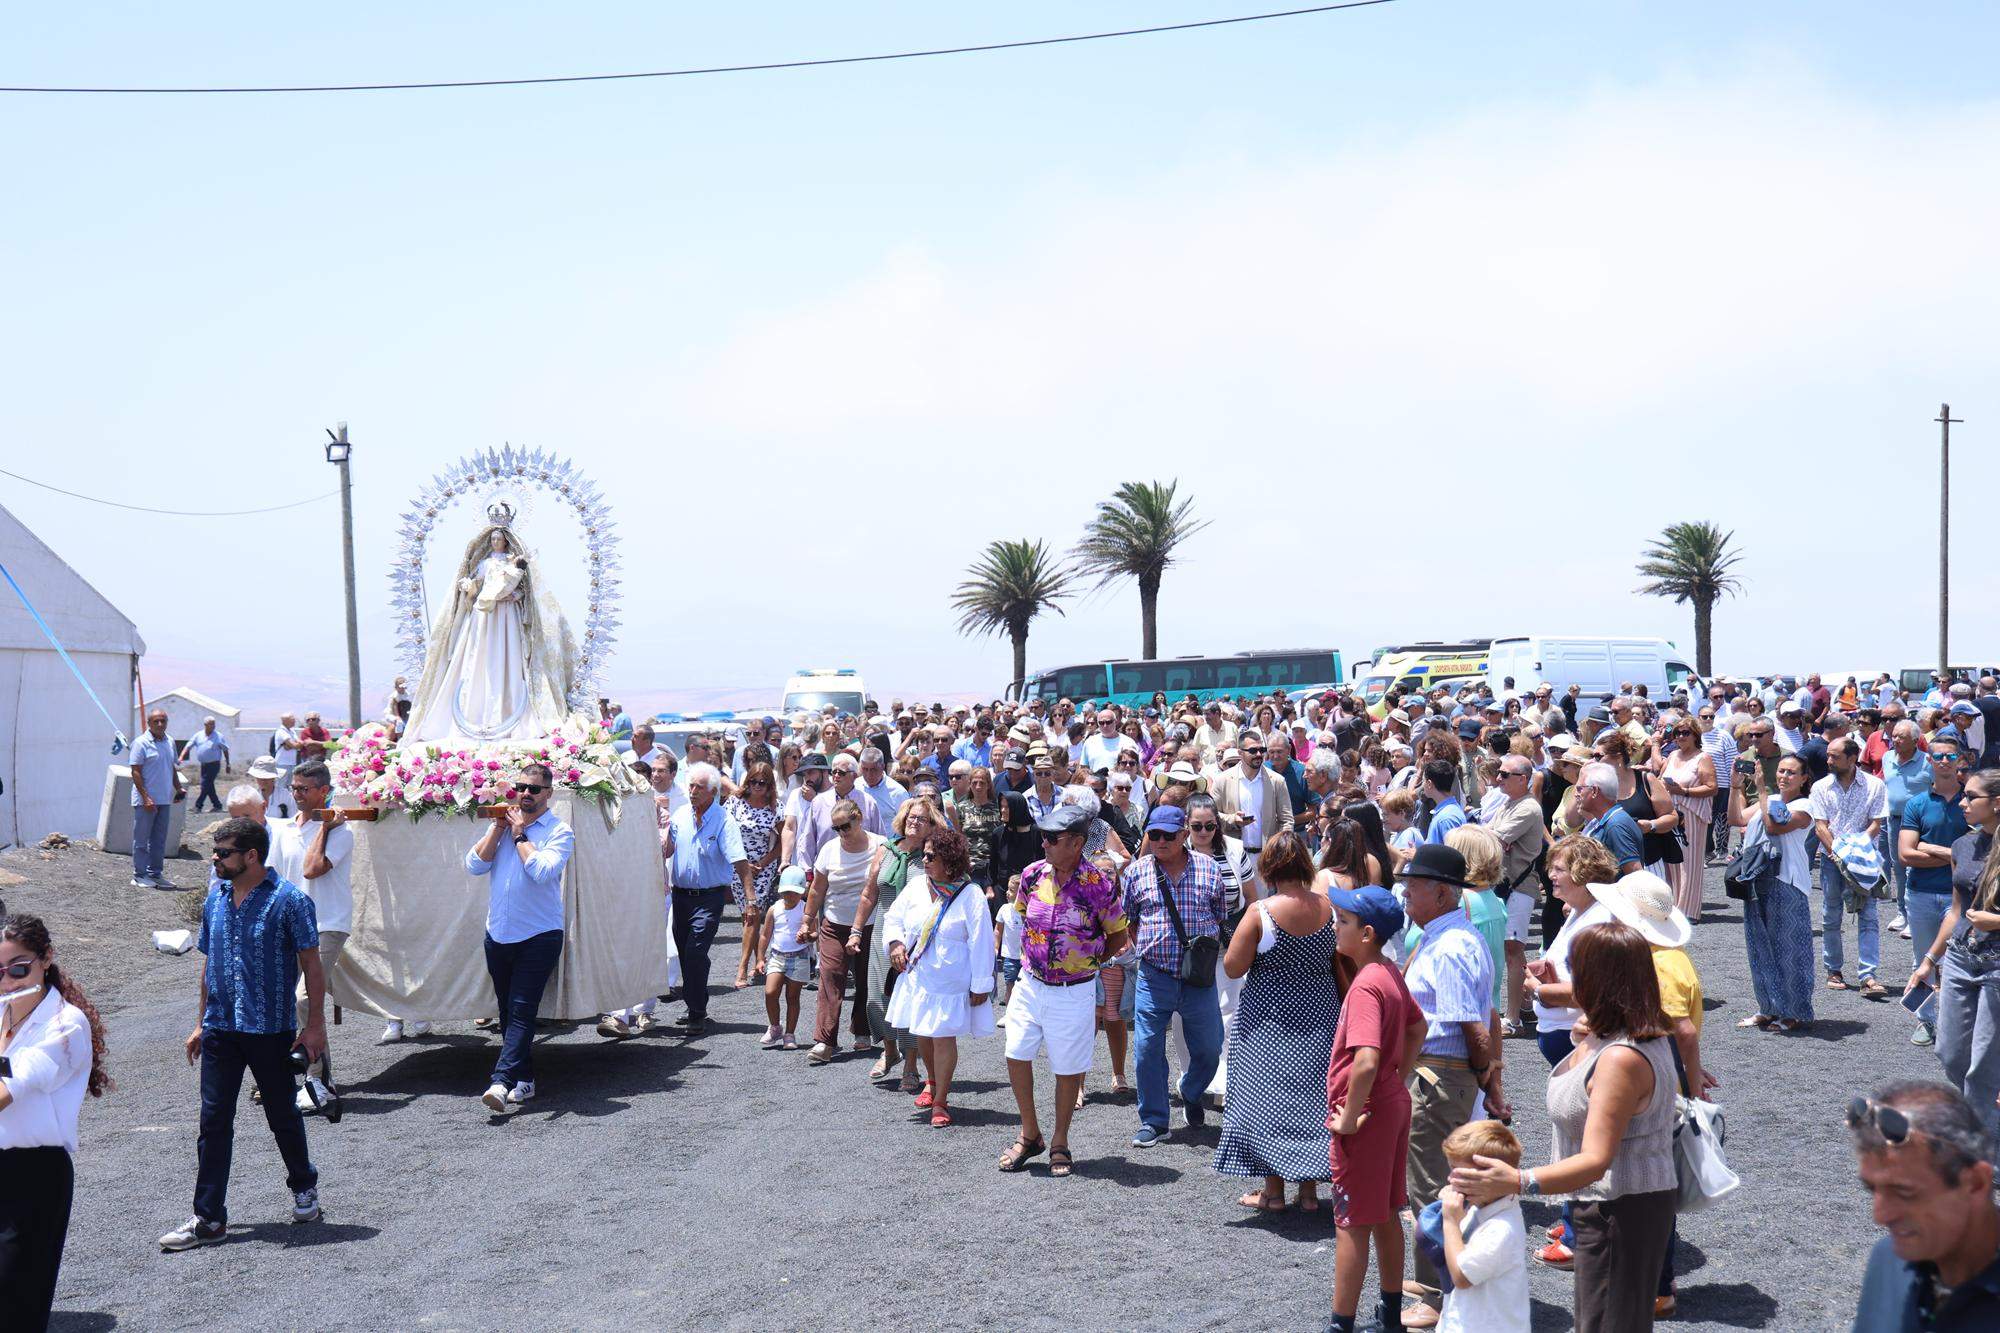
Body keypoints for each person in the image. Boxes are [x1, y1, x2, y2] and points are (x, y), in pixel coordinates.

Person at [1451, 921, 1679, 1333]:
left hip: (1620, 1208)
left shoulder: (1620, 1058)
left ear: (1598, 980)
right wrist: (1584, 1043)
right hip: (1617, 1203)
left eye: (1576, 971)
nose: (1570, 981)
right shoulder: (1623, 1035)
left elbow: (1596, 1160)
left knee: (1606, 1324)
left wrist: (1517, 1180)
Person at [161, 816, 326, 1251]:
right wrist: (200, 1022)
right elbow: (208, 963)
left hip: (270, 1030)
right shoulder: (214, 898)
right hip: (220, 1029)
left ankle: (304, 1188)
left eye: (224, 853)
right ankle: (209, 1217)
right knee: (213, 1121)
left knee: (281, 1114)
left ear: (251, 856)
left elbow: (312, 965)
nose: (215, 859)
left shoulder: (289, 901)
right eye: (216, 851)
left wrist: (314, 1028)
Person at [1397, 842, 1503, 1330]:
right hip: (1443, 1074)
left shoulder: (1451, 945)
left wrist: (1482, 1074)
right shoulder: (1449, 937)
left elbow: (1474, 1027)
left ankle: (1440, 1292)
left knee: (1432, 1187)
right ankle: (1438, 1281)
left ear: (1441, 894)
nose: (1406, 898)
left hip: (1439, 1075)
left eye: (1413, 889)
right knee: (1434, 1182)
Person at [1213, 833, 1344, 1212]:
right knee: (1313, 1102)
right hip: (1320, 1013)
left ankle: (1273, 1192)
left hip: (1268, 1018)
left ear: (1268, 867)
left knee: (1268, 1100)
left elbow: (1233, 966)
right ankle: (1309, 1194)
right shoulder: (1329, 908)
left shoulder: (1262, 912)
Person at [999, 805, 1129, 1178]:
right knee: (1015, 1052)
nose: (1044, 843)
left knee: (1067, 1068)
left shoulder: (1098, 884)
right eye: (1044, 836)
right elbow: (1023, 917)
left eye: (1052, 838)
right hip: (1030, 983)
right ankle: (1030, 1133)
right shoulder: (1031, 875)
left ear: (1076, 843)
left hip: (1074, 990)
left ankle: (1059, 1141)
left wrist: (1088, 960)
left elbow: (1118, 934)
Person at [0, 913, 111, 1326]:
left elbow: (13, 1088)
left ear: (45, 959)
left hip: (32, 1177)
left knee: (15, 1308)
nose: (9, 982)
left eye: (19, 968)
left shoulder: (65, 1026)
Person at [1325, 882, 1424, 1333]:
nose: (1335, 926)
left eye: (1343, 922)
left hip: (1365, 1113)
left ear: (1366, 933)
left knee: (1351, 1221)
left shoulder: (1366, 984)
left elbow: (1364, 1058)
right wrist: (1396, 1078)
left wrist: (1349, 1113)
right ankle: (1389, 1315)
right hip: (1390, 1102)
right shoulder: (1388, 970)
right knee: (1385, 1210)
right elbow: (1417, 1026)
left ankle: (1339, 1325)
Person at [1522, 834, 1618, 1267]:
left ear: (1580, 872)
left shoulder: (1597, 920)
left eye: (1558, 869)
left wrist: (1541, 990)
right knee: (1570, 1133)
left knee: (1580, 1137)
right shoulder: (1583, 913)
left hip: (1577, 1035)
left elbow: (1592, 991)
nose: (1551, 876)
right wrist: (1550, 972)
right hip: (1564, 1034)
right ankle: (1572, 1215)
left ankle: (1580, 1234)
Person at [466, 762, 575, 1112]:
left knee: (523, 1009)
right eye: (521, 787)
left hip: (539, 934)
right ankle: (525, 1078)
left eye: (534, 789)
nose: (526, 794)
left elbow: (542, 872)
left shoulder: (560, 831)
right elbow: (473, 865)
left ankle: (501, 1080)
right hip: (498, 932)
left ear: (549, 794)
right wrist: (498, 831)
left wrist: (519, 836)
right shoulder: (500, 826)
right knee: (507, 1011)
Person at [1850, 1081, 2000, 1330]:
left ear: (1975, 1184)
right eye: (1872, 1189)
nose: (1880, 1215)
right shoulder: (1888, 1259)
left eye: (1905, 1192)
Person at [1122, 805, 1228, 1148]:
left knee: (1211, 1048)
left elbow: (1218, 915)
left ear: (1184, 835)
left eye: (1170, 835)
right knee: (1146, 1048)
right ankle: (1154, 1120)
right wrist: (1148, 950)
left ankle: (1191, 1090)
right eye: (1155, 835)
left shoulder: (1210, 868)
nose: (1162, 841)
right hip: (1155, 976)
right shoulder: (1136, 873)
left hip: (1198, 978)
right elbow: (1131, 920)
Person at [883, 828, 996, 1127]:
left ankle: (941, 1100)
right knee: (924, 1033)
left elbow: (982, 940)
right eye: (925, 854)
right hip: (918, 977)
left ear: (950, 860)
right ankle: (932, 1082)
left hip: (950, 981)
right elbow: (893, 918)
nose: (925, 860)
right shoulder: (917, 886)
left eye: (931, 856)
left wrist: (981, 983)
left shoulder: (970, 895)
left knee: (943, 1036)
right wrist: (894, 943)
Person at [1908, 767, 2000, 1131]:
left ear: (1996, 803)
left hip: (1996, 966)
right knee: (1950, 1053)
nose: (1962, 802)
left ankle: (1982, 1151)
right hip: (1961, 959)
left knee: (1983, 1064)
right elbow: (1956, 911)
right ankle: (1983, 1118)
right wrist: (1929, 960)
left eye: (1971, 797)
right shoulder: (1963, 845)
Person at [264, 761, 353, 1118]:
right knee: (283, 999)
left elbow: (311, 869)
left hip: (327, 922)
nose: (297, 795)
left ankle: (316, 1080)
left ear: (323, 791)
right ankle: (300, 1071)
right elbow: (275, 877)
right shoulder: (285, 830)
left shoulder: (342, 832)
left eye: (304, 789)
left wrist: (325, 827)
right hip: (289, 925)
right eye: (294, 789)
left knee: (306, 997)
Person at [1728, 751, 1818, 1031]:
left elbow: (1773, 826)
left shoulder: (1806, 806)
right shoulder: (1772, 800)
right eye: (1780, 771)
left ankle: (1794, 1011)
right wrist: (1734, 787)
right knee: (1759, 946)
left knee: (1790, 948)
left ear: (1804, 778)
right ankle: (1768, 1006)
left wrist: (1763, 792)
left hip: (1788, 880)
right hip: (1757, 876)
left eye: (1791, 772)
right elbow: (1736, 818)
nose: (1784, 776)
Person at [851, 798, 937, 1089]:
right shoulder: (885, 850)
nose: (915, 822)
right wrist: (855, 930)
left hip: (915, 935)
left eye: (922, 819)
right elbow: (868, 894)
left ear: (931, 825)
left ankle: (911, 1065)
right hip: (883, 931)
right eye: (912, 817)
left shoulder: (930, 855)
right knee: (877, 998)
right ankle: (890, 1052)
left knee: (910, 1001)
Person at [665, 763, 754, 1038]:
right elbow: (667, 850)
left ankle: (696, 1011)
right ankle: (696, 1004)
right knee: (685, 952)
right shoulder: (680, 815)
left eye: (698, 787)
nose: (692, 791)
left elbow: (740, 862)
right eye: (690, 786)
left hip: (709, 897)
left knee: (695, 951)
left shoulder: (725, 820)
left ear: (713, 792)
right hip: (681, 896)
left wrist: (750, 900)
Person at [800, 798, 884, 1064]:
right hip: (834, 923)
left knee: (865, 980)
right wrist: (806, 920)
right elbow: (817, 889)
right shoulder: (829, 850)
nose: (841, 833)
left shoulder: (881, 846)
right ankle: (825, 1040)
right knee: (830, 977)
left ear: (859, 819)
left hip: (870, 925)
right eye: (836, 828)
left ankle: (862, 1029)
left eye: (845, 826)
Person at [1437, 1120, 1531, 1333]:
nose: (1449, 1178)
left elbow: (1462, 1277)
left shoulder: (1500, 1229)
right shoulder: (1479, 1207)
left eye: (1458, 1171)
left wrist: (1450, 1221)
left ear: (1490, 1176)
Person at [1901, 740, 1970, 1028]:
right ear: (1929, 760)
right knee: (1924, 959)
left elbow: (1984, 851)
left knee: (1958, 961)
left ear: (1960, 760)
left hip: (1963, 897)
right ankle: (1925, 1021)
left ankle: (1954, 1025)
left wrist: (1935, 850)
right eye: (1938, 755)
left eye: (1950, 755)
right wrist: (1957, 857)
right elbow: (1906, 854)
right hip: (1921, 893)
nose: (1944, 760)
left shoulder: (1972, 802)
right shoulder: (1917, 803)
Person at [1815, 735, 1891, 999]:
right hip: (1831, 859)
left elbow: (1876, 824)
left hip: (1865, 860)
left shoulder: (1875, 785)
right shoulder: (1821, 787)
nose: (1828, 760)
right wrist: (1840, 853)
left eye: (1834, 756)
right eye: (1828, 755)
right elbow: (1820, 825)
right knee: (1830, 914)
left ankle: (1868, 976)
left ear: (1852, 758)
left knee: (1869, 916)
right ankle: (1833, 970)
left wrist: (1855, 850)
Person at [724, 761, 783, 991]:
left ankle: (742, 967)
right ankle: (760, 959)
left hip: (763, 868)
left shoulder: (776, 807)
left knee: (752, 914)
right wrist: (742, 863)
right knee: (748, 917)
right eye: (753, 781)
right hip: (738, 866)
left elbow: (782, 842)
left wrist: (763, 863)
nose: (757, 786)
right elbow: (726, 834)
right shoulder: (734, 803)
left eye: (763, 782)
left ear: (770, 785)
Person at [1658, 715, 1717, 918]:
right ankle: (1672, 905)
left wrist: (1683, 791)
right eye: (1677, 733)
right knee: (1671, 860)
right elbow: (1658, 777)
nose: (1681, 737)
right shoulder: (1673, 755)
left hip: (1691, 814)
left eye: (1685, 733)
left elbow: (1712, 788)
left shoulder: (1703, 757)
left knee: (1688, 862)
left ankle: (1689, 910)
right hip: (1671, 813)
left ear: (1695, 735)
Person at [129, 708, 184, 889]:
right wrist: (146, 797)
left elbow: (171, 767)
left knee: (159, 839)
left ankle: (155, 873)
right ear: (149, 723)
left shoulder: (169, 742)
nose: (160, 724)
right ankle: (139, 875)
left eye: (163, 721)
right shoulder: (141, 743)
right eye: (156, 721)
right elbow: (135, 771)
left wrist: (178, 788)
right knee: (142, 839)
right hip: (146, 801)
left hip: (164, 799)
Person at [758, 867, 812, 1049]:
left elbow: (815, 933)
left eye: (795, 893)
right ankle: (775, 1027)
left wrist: (807, 936)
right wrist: (760, 958)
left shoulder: (806, 910)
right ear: (781, 891)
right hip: (777, 956)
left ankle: (790, 1034)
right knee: (770, 992)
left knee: (793, 996)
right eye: (787, 892)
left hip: (799, 957)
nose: (790, 896)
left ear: (802, 892)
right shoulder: (774, 909)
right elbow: (765, 935)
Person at [1574, 762, 1644, 875]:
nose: (1576, 794)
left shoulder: (1616, 825)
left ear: (1594, 791)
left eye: (1579, 789)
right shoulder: (1602, 821)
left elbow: (1635, 873)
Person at [179, 716, 231, 814]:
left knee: (204, 785)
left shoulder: (218, 736)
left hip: (214, 765)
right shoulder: (198, 735)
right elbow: (188, 746)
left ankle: (198, 806)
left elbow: (225, 750)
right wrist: (181, 757)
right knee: (209, 786)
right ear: (205, 725)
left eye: (214, 724)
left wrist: (228, 763)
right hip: (204, 765)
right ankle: (217, 805)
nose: (213, 726)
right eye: (210, 724)